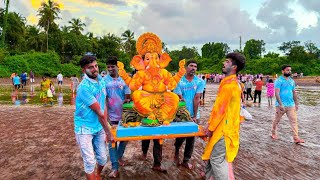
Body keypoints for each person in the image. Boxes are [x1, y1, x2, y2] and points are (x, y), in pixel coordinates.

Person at [202, 52, 245, 179]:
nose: (223, 63)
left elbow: (220, 110)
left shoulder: (229, 86)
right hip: (228, 128)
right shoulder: (235, 83)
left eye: (227, 61)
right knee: (212, 158)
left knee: (217, 160)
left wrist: (210, 129)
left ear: (234, 67)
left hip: (223, 131)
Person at [74, 55, 114, 180]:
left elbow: (103, 105)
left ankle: (97, 175)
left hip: (98, 126)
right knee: (90, 161)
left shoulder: (101, 81)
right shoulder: (84, 88)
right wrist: (109, 132)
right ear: (83, 70)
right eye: (90, 67)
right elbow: (99, 112)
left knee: (102, 158)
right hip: (84, 128)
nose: (95, 69)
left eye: (96, 66)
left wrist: (105, 127)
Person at [173, 60, 204, 169]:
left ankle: (186, 160)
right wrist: (187, 116)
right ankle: (176, 151)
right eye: (191, 66)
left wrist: (195, 116)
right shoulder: (178, 81)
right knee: (180, 136)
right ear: (186, 67)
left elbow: (197, 98)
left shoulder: (200, 82)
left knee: (191, 138)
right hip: (181, 114)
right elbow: (179, 99)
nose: (193, 68)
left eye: (195, 66)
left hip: (195, 114)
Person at [104, 56, 131, 178]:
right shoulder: (104, 81)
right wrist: (106, 117)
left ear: (118, 67)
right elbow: (104, 99)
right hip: (111, 116)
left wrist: (127, 99)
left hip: (124, 116)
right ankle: (115, 168)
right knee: (112, 142)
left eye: (112, 66)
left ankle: (119, 157)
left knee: (125, 140)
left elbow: (128, 97)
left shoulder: (125, 80)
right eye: (108, 66)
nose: (110, 69)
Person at [271, 65, 305, 144]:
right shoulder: (279, 81)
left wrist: (296, 103)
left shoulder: (292, 81)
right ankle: (273, 132)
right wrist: (280, 104)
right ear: (282, 71)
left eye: (290, 70)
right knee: (277, 120)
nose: (289, 71)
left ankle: (296, 138)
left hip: (291, 105)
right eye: (287, 70)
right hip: (280, 105)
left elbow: (294, 92)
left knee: (294, 121)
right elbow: (276, 93)